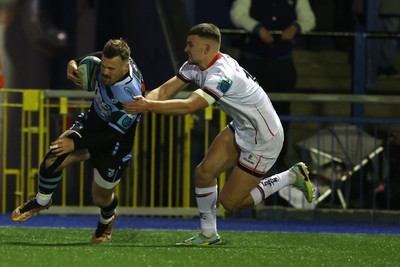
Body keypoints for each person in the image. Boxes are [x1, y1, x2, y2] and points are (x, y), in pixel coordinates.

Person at [123, 23, 314, 246]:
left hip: (265, 138)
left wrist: (147, 107)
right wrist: (140, 102)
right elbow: (165, 90)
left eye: (190, 44)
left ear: (206, 48)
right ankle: (208, 234)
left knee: (230, 203)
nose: (185, 49)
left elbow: (190, 106)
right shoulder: (195, 65)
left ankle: (291, 176)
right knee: (204, 173)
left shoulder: (222, 74)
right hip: (243, 127)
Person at [10, 38, 145, 243]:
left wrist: (76, 144)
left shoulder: (131, 94)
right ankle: (42, 200)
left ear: (126, 67)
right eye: (104, 66)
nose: (105, 72)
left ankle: (108, 218)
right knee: (54, 155)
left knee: (100, 197)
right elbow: (97, 57)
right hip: (92, 123)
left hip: (115, 144)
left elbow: (112, 134)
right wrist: (73, 62)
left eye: (111, 68)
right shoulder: (114, 61)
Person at [229, 0, 315, 171]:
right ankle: (244, 161)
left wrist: (296, 27)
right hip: (253, 64)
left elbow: (309, 19)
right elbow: (238, 14)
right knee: (248, 114)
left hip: (282, 65)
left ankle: (277, 161)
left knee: (281, 114)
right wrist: (257, 28)